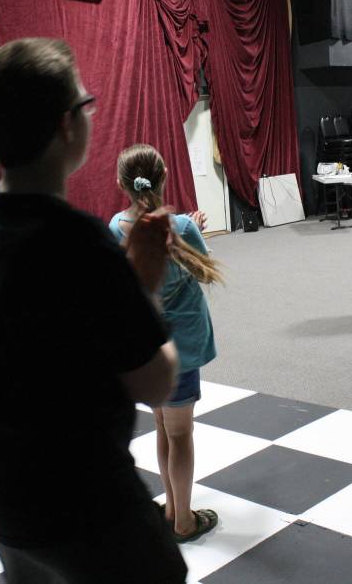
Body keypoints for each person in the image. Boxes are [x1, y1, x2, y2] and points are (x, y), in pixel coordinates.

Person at [0, 38, 187, 584]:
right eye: (87, 104)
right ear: (66, 125)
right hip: (80, 493)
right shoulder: (81, 242)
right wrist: (144, 286)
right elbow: (155, 382)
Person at [109, 144, 222, 543]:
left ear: (122, 183)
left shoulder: (114, 226)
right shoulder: (183, 228)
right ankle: (184, 521)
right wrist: (194, 229)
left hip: (146, 348)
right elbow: (205, 273)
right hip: (183, 349)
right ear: (164, 178)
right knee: (181, 437)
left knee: (161, 427)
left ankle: (173, 507)